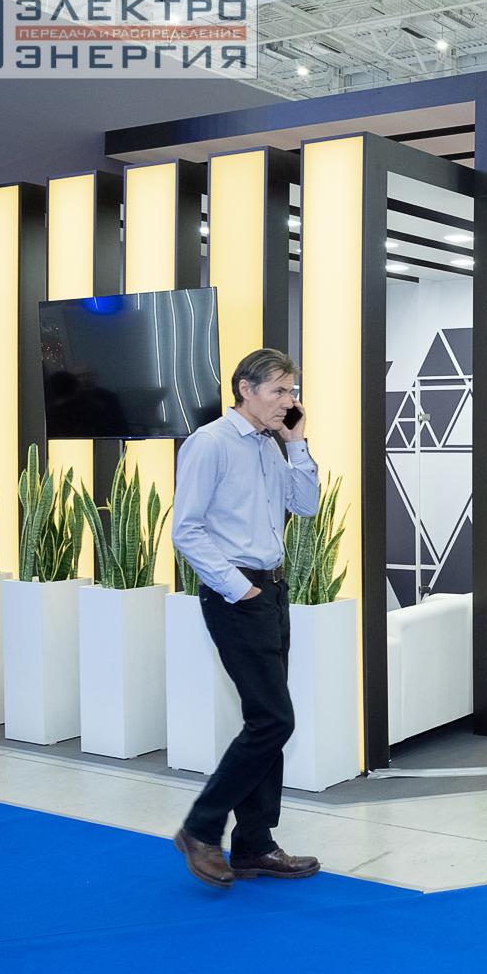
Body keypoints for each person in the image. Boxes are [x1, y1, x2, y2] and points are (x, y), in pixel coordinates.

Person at [171, 348, 322, 889]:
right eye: (279, 390)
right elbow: (186, 529)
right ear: (245, 389)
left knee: (266, 718)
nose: (288, 400)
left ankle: (255, 844)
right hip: (238, 594)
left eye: (292, 391)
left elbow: (305, 506)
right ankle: (201, 827)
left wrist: (296, 443)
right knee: (274, 720)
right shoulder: (210, 443)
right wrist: (240, 589)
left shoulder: (269, 445)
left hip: (271, 590)